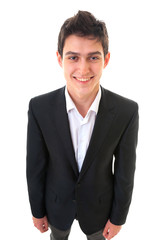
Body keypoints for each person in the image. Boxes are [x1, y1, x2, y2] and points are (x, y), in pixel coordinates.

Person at [26, 10, 139, 240]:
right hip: (56, 206)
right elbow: (35, 166)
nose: (83, 69)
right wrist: (37, 211)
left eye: (93, 57)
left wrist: (119, 218)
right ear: (60, 59)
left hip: (100, 209)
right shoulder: (39, 108)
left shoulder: (127, 111)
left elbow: (125, 173)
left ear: (106, 59)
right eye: (73, 57)